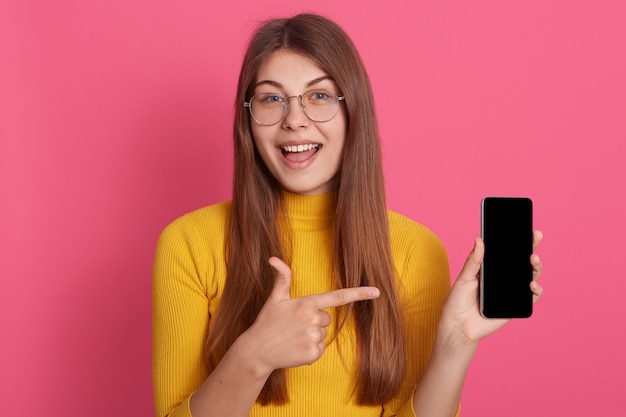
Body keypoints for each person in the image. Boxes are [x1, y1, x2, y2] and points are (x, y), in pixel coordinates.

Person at [152, 13, 544, 417]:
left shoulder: (416, 250)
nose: (294, 119)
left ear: (353, 110)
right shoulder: (189, 243)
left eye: (319, 96)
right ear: (247, 121)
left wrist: (456, 342)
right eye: (272, 98)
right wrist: (253, 357)